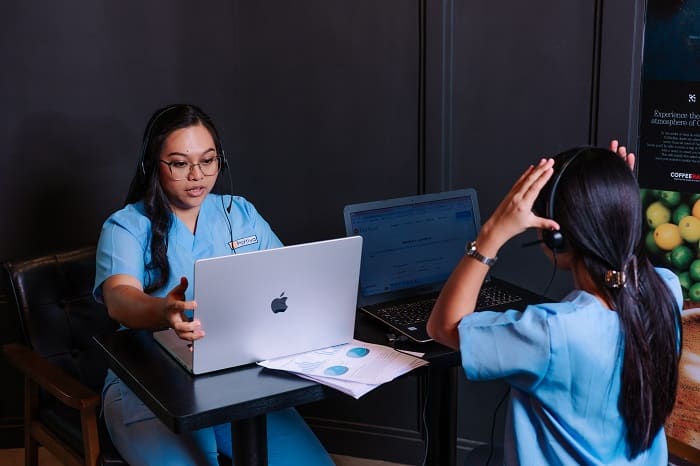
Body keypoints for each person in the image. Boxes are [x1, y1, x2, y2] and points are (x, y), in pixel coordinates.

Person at [93, 104, 334, 466]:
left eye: (208, 160)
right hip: (149, 382)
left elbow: (289, 279)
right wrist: (165, 310)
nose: (197, 175)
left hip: (237, 377)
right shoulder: (126, 226)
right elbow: (119, 299)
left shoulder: (239, 213)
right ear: (151, 165)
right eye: (179, 163)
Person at [426, 142, 682, 464]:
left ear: (554, 238)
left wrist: (490, 235)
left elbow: (443, 326)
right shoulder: (667, 292)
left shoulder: (552, 333)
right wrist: (615, 206)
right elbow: (632, 268)